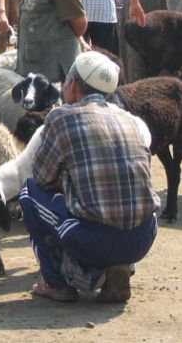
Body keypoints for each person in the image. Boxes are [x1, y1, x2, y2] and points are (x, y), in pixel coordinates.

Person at [19, 51, 160, 303]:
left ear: (72, 84)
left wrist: (66, 180)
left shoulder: (61, 117)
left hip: (96, 240)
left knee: (29, 192)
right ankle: (117, 267)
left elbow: (41, 177)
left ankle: (58, 283)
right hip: (143, 235)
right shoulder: (130, 120)